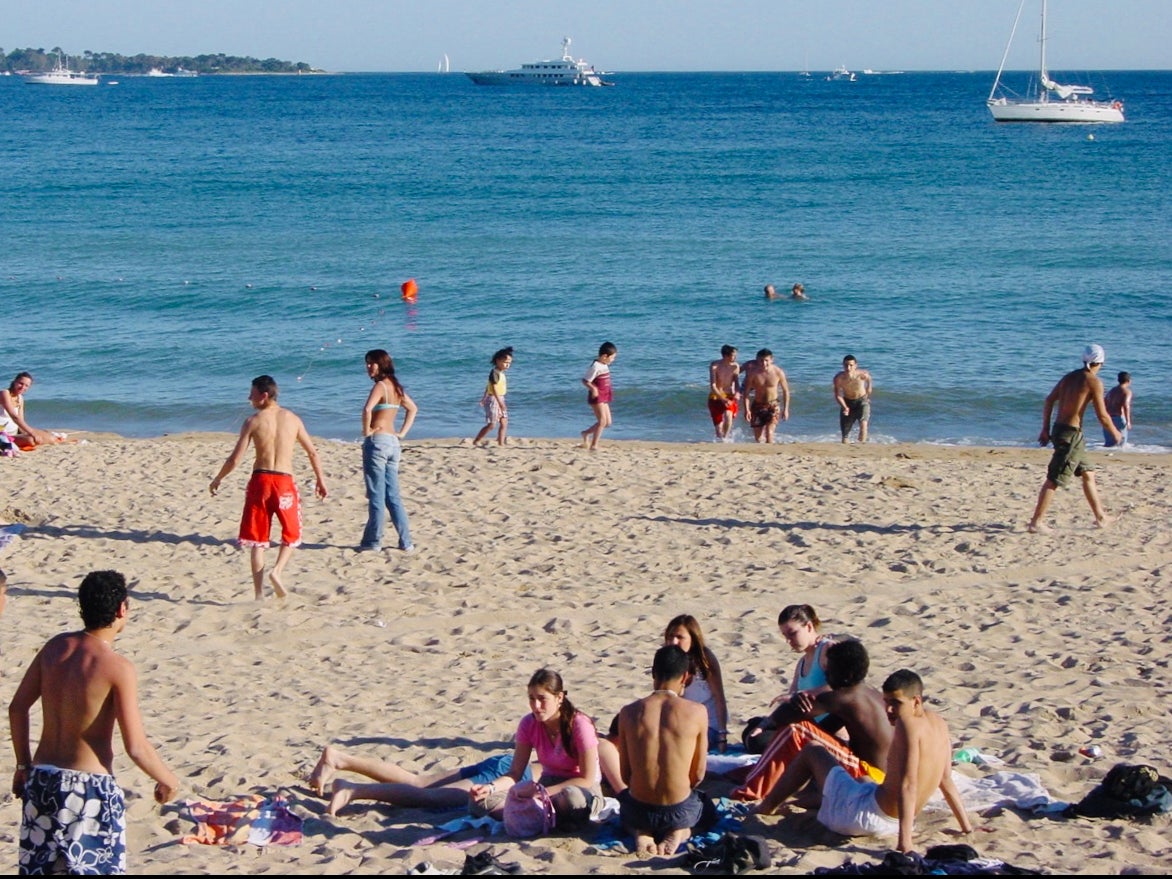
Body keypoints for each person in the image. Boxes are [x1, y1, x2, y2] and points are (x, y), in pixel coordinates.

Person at [8, 570, 180, 874]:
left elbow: (17, 708)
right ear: (122, 609)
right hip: (88, 789)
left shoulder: (54, 648)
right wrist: (168, 780)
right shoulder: (117, 667)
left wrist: (23, 766)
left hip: (43, 780)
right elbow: (136, 746)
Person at [752, 669, 972, 855]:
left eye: (896, 703)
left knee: (812, 751)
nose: (888, 710)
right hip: (898, 821)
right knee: (862, 778)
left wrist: (905, 846)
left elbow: (908, 785)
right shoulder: (939, 723)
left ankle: (766, 807)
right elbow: (945, 779)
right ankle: (797, 803)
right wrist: (967, 827)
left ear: (916, 701)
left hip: (868, 819)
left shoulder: (907, 726)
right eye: (886, 702)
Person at [209, 375, 328, 598]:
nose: (249, 398)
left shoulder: (253, 421)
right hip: (284, 481)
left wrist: (218, 478)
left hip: (260, 482)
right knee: (292, 534)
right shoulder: (292, 419)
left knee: (257, 541)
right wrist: (320, 479)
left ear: (264, 395)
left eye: (252, 394)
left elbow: (235, 459)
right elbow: (312, 451)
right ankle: (277, 571)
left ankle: (258, 594)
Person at [739, 639, 891, 804]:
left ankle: (751, 790)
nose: (826, 675)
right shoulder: (869, 694)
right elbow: (823, 728)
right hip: (882, 776)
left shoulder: (846, 697)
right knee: (806, 732)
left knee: (798, 729)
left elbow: (788, 715)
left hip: (871, 777)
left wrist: (767, 722)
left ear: (848, 675)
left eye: (830, 670)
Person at [617, 644, 709, 856]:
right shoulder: (697, 712)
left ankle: (641, 833)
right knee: (704, 807)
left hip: (640, 809)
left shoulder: (628, 713)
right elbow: (697, 775)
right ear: (685, 676)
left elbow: (625, 775)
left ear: (653, 673)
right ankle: (681, 831)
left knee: (626, 806)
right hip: (677, 809)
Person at [1027, 344, 1122, 533]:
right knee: (1054, 478)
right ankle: (1036, 522)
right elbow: (1102, 415)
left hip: (1062, 431)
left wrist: (1045, 429)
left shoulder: (1069, 377)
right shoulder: (1094, 381)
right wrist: (1115, 432)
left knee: (1088, 473)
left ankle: (1101, 518)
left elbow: (1049, 400)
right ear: (1100, 362)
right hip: (1071, 435)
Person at [744, 604, 838, 753]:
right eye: (785, 636)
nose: (789, 641)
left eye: (792, 634)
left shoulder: (828, 650)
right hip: (804, 724)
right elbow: (790, 699)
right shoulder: (802, 662)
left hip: (827, 727)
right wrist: (767, 722)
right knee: (754, 727)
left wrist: (806, 694)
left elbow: (843, 687)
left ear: (808, 626)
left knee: (759, 741)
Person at [358, 350, 417, 553]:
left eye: (372, 364)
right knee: (392, 495)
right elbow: (413, 409)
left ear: (381, 365)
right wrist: (401, 433)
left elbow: (367, 409)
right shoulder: (396, 387)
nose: (368, 367)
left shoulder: (381, 385)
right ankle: (406, 541)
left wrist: (366, 431)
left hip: (378, 442)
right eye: (367, 363)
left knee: (376, 494)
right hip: (393, 443)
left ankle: (373, 541)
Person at [663, 615, 730, 753]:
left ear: (692, 640)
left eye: (680, 637)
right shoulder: (666, 660)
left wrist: (722, 735)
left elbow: (719, 698)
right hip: (679, 723)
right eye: (670, 637)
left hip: (707, 726)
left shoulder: (705, 660)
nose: (673, 642)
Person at [741, 349, 789, 443]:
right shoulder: (753, 374)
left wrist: (786, 409)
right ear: (757, 360)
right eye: (761, 360)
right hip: (757, 405)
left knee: (769, 434)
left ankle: (771, 455)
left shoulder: (778, 372)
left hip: (773, 406)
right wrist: (747, 410)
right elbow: (746, 393)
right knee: (758, 438)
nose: (764, 363)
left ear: (771, 360)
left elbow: (785, 391)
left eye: (766, 360)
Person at [0, 372, 57, 449]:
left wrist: (28, 433)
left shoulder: (20, 398)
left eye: (26, 385)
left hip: (15, 432)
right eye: (21, 383)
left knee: (50, 438)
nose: (23, 387)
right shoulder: (4, 393)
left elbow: (21, 420)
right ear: (14, 382)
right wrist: (32, 433)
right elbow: (14, 417)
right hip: (2, 435)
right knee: (31, 440)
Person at [581, 342, 618, 450]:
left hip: (604, 396)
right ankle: (594, 445)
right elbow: (585, 380)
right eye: (612, 357)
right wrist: (593, 389)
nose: (613, 360)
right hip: (597, 397)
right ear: (604, 356)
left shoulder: (604, 364)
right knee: (602, 421)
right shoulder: (595, 366)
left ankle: (585, 433)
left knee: (608, 423)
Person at [473, 347, 513, 447]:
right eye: (505, 362)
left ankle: (501, 443)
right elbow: (493, 388)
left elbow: (488, 386)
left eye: (509, 363)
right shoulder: (494, 372)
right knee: (492, 424)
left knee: (504, 422)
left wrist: (484, 398)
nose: (507, 365)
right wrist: (498, 401)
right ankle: (477, 440)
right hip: (494, 399)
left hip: (500, 398)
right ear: (498, 360)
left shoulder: (501, 373)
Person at [833, 355, 872, 443]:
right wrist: (845, 407)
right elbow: (838, 395)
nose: (848, 368)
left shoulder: (862, 375)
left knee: (863, 424)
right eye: (846, 365)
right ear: (843, 365)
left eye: (851, 365)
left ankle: (862, 445)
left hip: (862, 400)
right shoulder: (839, 378)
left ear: (855, 365)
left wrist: (868, 390)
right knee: (845, 434)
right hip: (847, 402)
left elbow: (869, 378)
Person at [707, 345, 741, 442]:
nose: (735, 358)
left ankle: (726, 438)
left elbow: (736, 382)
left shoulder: (735, 366)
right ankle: (721, 440)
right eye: (733, 356)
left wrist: (737, 392)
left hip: (729, 395)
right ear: (725, 356)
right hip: (716, 396)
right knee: (718, 429)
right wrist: (722, 398)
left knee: (728, 415)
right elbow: (713, 386)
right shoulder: (715, 366)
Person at [1103, 371, 1132, 448]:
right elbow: (1126, 406)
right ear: (1129, 381)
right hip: (1118, 418)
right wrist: (1128, 421)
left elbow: (1104, 402)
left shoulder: (1112, 391)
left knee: (1109, 444)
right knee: (1121, 444)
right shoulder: (1127, 391)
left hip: (1108, 418)